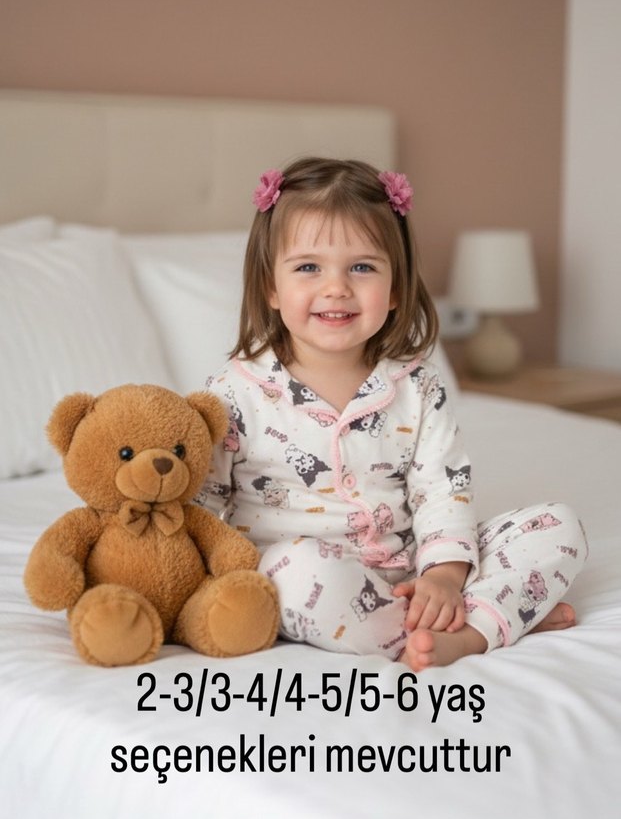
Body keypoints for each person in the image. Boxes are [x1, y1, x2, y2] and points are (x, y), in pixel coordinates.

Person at [197, 158, 587, 670]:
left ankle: (465, 619)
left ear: (397, 287)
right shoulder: (233, 393)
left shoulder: (418, 386)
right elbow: (201, 507)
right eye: (308, 267)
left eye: (362, 267)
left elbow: (442, 491)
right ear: (271, 286)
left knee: (559, 526)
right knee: (295, 571)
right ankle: (483, 624)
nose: (336, 287)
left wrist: (443, 576)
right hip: (308, 580)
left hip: (412, 567)